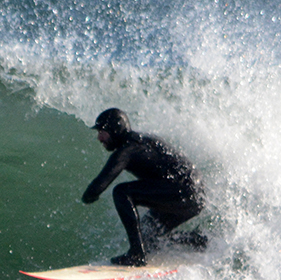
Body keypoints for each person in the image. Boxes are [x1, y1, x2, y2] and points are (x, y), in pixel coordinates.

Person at [81, 107, 206, 266]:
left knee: (121, 192)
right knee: (147, 238)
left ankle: (136, 255)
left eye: (102, 132)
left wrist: (86, 198)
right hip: (195, 194)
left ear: (114, 130)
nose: (99, 138)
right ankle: (194, 240)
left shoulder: (127, 150)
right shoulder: (144, 139)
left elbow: (97, 188)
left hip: (184, 192)